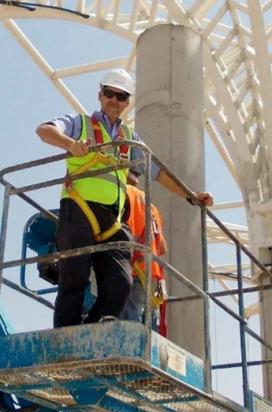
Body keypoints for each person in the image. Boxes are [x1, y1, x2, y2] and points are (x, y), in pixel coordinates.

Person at [36, 68, 213, 328]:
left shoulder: (130, 140)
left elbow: (158, 172)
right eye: (110, 94)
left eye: (121, 96)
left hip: (112, 218)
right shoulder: (80, 123)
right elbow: (44, 130)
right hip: (79, 209)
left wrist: (191, 196)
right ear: (100, 95)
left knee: (121, 282)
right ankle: (64, 336)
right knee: (75, 276)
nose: (115, 101)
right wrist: (70, 144)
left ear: (127, 103)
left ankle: (93, 329)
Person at [122, 180, 168, 336]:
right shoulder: (152, 207)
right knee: (148, 331)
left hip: (133, 271)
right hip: (152, 277)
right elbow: (162, 248)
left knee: (130, 329)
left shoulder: (125, 193)